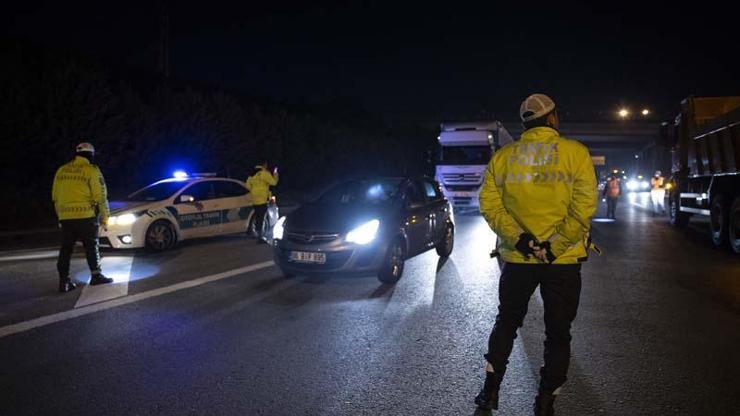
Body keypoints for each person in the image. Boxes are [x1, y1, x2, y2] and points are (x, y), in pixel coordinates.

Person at [475, 94, 597, 415]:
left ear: (525, 122)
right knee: (558, 332)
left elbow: (490, 205)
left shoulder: (503, 157)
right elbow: (583, 208)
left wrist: (522, 241)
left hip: (518, 260)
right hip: (563, 262)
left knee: (507, 322)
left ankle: (489, 393)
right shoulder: (576, 154)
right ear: (553, 118)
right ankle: (545, 403)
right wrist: (553, 246)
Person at [52, 142, 113, 293]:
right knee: (92, 247)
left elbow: (55, 196)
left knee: (66, 249)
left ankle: (64, 282)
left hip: (66, 217)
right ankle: (96, 276)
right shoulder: (91, 170)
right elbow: (100, 196)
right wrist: (105, 218)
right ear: (91, 155)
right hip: (86, 216)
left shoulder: (62, 170)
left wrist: (60, 217)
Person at [246, 159, 279, 244]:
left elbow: (247, 185)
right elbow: (274, 183)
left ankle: (258, 234)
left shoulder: (252, 174)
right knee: (261, 218)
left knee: (257, 217)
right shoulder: (264, 173)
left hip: (255, 199)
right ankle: (260, 237)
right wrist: (275, 174)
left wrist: (254, 191)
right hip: (262, 199)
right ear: (264, 164)